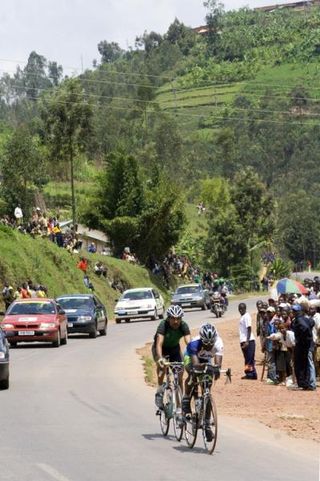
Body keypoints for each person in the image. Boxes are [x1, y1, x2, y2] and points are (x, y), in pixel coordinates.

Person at [183, 324, 223, 441]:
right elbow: (195, 365)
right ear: (201, 339)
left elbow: (218, 365)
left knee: (207, 387)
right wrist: (205, 367)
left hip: (205, 359)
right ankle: (186, 399)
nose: (209, 345)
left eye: (211, 343)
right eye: (206, 343)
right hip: (191, 357)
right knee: (193, 373)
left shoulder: (219, 343)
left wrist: (216, 370)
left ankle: (206, 424)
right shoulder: (194, 344)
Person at [152, 305, 191, 409]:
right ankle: (159, 392)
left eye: (178, 318)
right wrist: (160, 359)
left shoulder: (184, 326)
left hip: (174, 350)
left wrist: (193, 355)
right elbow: (159, 344)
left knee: (180, 375)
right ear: (168, 318)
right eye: (173, 318)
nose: (176, 321)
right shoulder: (163, 325)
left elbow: (189, 343)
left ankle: (180, 405)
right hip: (161, 350)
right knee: (162, 370)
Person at [238, 303, 257, 380]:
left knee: (249, 359)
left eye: (242, 309)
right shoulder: (243, 316)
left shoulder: (246, 316)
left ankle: (250, 374)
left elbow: (249, 328)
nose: (240, 310)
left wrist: (247, 341)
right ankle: (252, 374)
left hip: (248, 340)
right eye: (239, 309)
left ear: (245, 308)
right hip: (244, 340)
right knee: (248, 358)